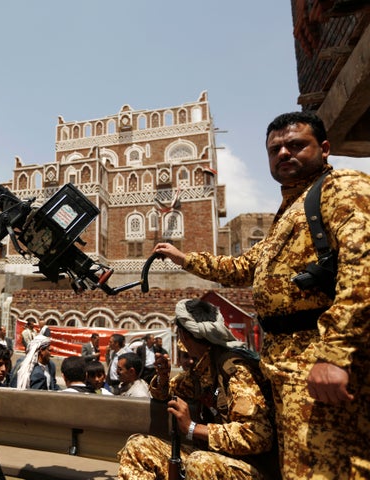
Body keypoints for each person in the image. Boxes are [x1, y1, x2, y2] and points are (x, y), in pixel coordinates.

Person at [152, 111, 370, 479]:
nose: (284, 153)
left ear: (325, 148)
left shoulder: (342, 189)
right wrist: (185, 259)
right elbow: (243, 268)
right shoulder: (289, 213)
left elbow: (363, 268)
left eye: (296, 145)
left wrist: (335, 354)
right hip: (289, 368)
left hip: (319, 362)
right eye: (275, 149)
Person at [118, 299, 277, 480]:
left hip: (250, 468)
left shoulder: (235, 371)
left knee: (199, 462)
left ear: (184, 336)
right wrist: (163, 376)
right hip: (215, 460)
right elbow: (167, 392)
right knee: (138, 447)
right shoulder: (203, 371)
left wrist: (193, 428)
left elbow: (258, 435)